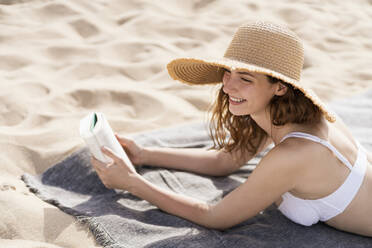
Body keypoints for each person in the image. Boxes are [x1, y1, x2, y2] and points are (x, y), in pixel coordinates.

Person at [91, 21, 372, 237]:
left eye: (245, 79)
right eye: (229, 73)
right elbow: (224, 161)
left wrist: (132, 182)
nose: (228, 86)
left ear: (280, 87)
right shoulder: (279, 114)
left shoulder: (295, 153)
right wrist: (143, 155)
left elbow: (215, 217)